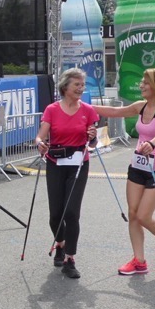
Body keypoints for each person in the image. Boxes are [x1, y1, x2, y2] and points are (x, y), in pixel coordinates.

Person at [93, 68, 155, 276]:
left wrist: (152, 143)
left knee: (143, 216)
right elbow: (114, 112)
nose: (141, 85)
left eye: (145, 83)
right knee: (133, 213)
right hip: (138, 166)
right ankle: (139, 261)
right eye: (141, 82)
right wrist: (83, 106)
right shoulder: (140, 106)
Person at [34, 69, 100, 279]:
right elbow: (40, 136)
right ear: (65, 87)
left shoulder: (88, 110)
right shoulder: (52, 110)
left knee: (71, 212)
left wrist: (92, 137)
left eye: (82, 85)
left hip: (79, 163)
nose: (81, 88)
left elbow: (93, 143)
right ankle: (60, 244)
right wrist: (40, 144)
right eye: (76, 85)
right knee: (55, 215)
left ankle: (70, 259)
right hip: (55, 163)